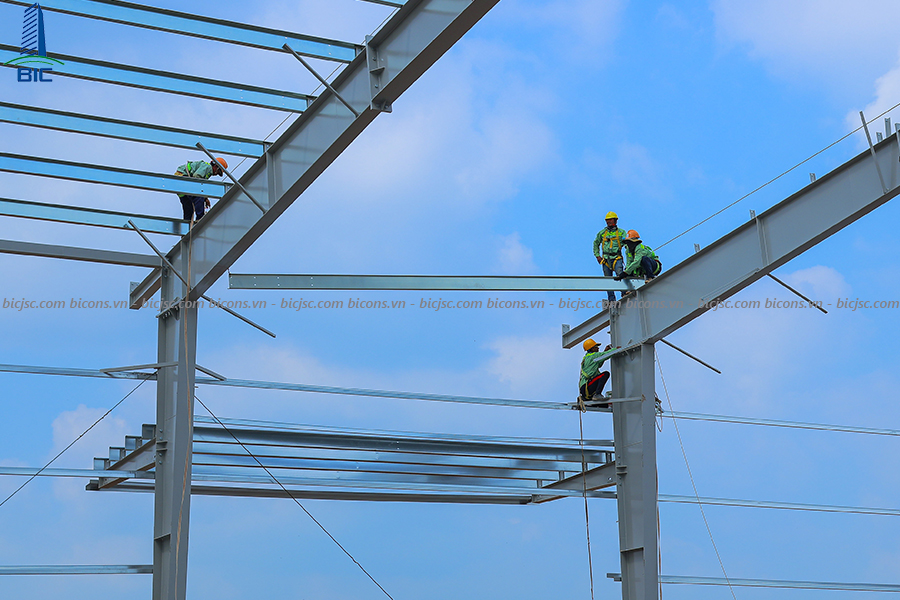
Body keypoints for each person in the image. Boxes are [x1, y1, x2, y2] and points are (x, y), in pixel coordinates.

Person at [175, 157, 228, 222]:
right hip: (183, 178)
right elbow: (197, 176)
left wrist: (205, 198)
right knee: (199, 197)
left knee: (189, 208)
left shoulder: (206, 169)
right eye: (218, 171)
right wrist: (204, 198)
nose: (216, 174)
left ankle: (187, 226)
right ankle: (200, 218)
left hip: (179, 184)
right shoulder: (207, 167)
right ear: (216, 166)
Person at [593, 211, 628, 305]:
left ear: (615, 221)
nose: (608, 222)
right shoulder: (602, 233)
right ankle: (611, 299)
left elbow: (627, 244)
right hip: (606, 259)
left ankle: (624, 293)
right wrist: (597, 256)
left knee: (620, 274)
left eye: (610, 220)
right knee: (608, 280)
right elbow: (596, 243)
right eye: (607, 220)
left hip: (617, 257)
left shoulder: (621, 232)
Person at [578, 338, 618, 405]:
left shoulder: (587, 357)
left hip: (585, 388)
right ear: (591, 348)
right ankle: (597, 394)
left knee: (603, 405)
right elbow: (605, 355)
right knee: (605, 374)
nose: (598, 348)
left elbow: (599, 363)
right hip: (587, 387)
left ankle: (597, 398)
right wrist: (616, 349)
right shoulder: (593, 356)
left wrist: (605, 351)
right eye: (596, 347)